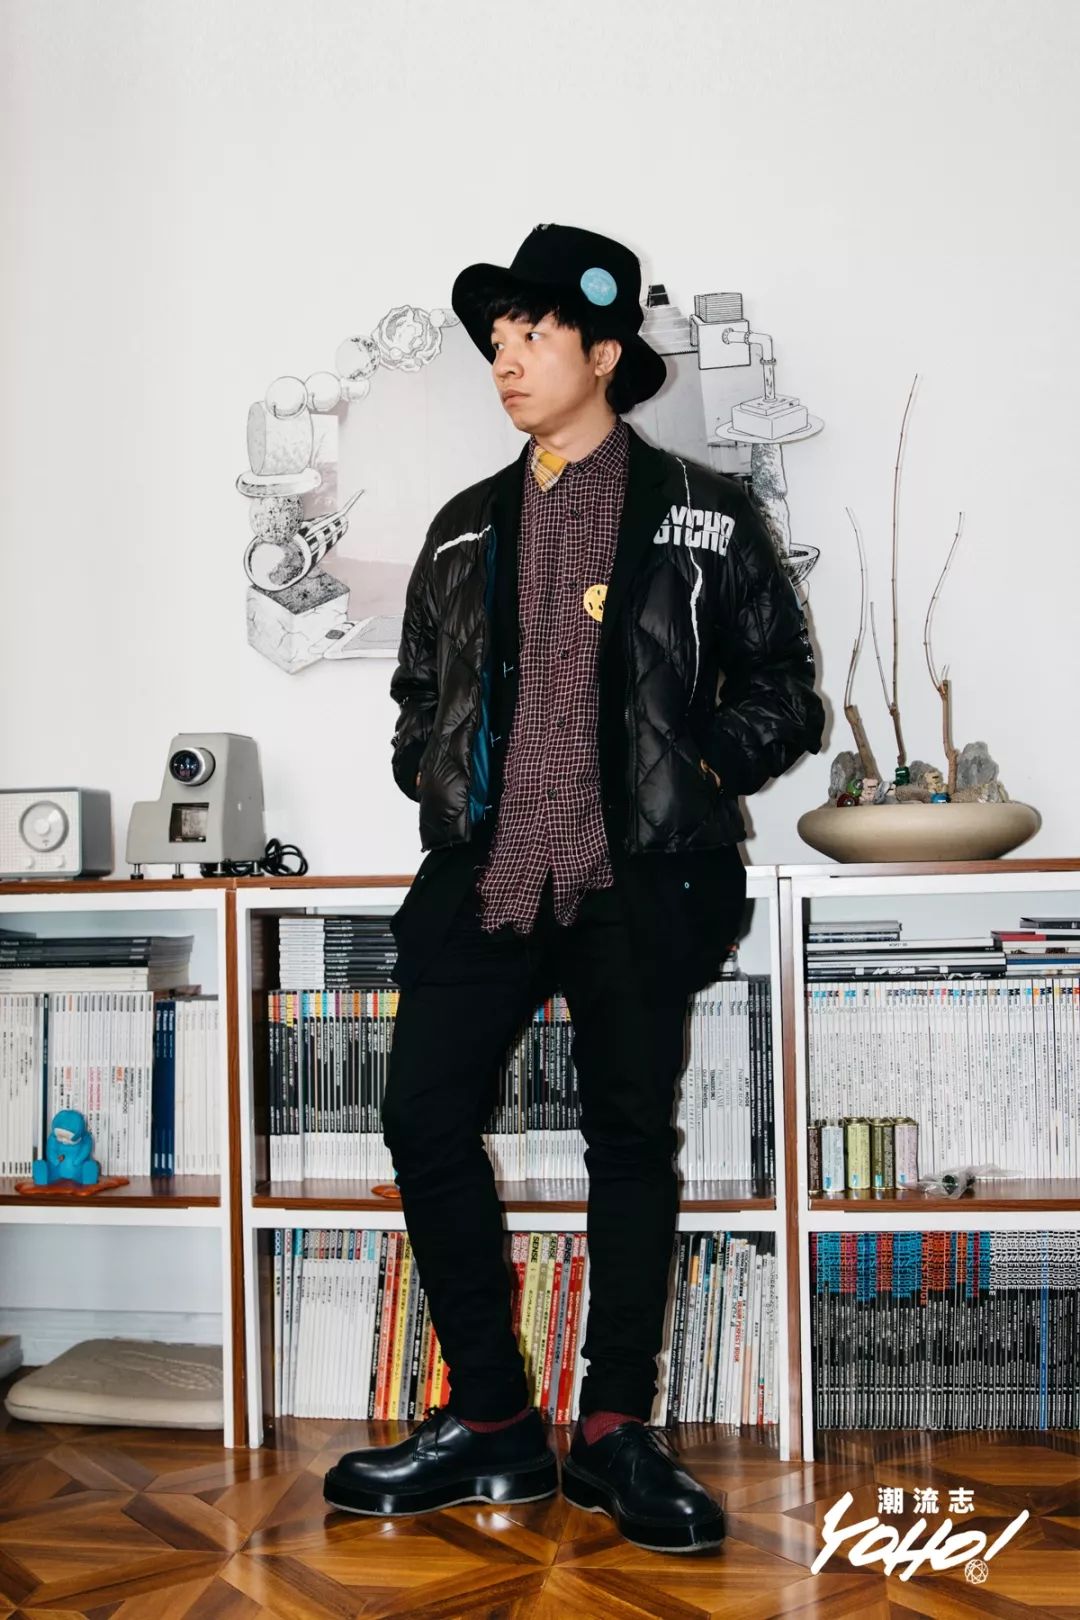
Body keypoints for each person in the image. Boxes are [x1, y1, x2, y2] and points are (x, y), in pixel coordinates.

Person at [324, 223, 825, 1553]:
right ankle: (494, 1424)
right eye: (496, 340)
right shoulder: (461, 526)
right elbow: (419, 693)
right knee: (422, 1118)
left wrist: (701, 765)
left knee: (630, 1142)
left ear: (604, 352)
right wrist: (434, 771)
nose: (505, 359)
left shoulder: (707, 511)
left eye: (533, 335)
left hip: (639, 879)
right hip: (486, 875)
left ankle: (612, 1432)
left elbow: (784, 685)